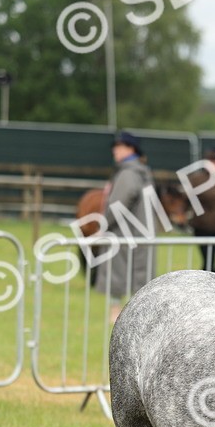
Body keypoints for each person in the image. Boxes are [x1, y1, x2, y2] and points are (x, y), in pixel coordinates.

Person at [94, 131, 156, 321]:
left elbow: (119, 202)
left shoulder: (128, 173)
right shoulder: (143, 172)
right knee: (138, 275)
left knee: (118, 273)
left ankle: (117, 314)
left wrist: (104, 226)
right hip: (140, 233)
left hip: (124, 232)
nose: (115, 151)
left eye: (119, 147)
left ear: (130, 149)